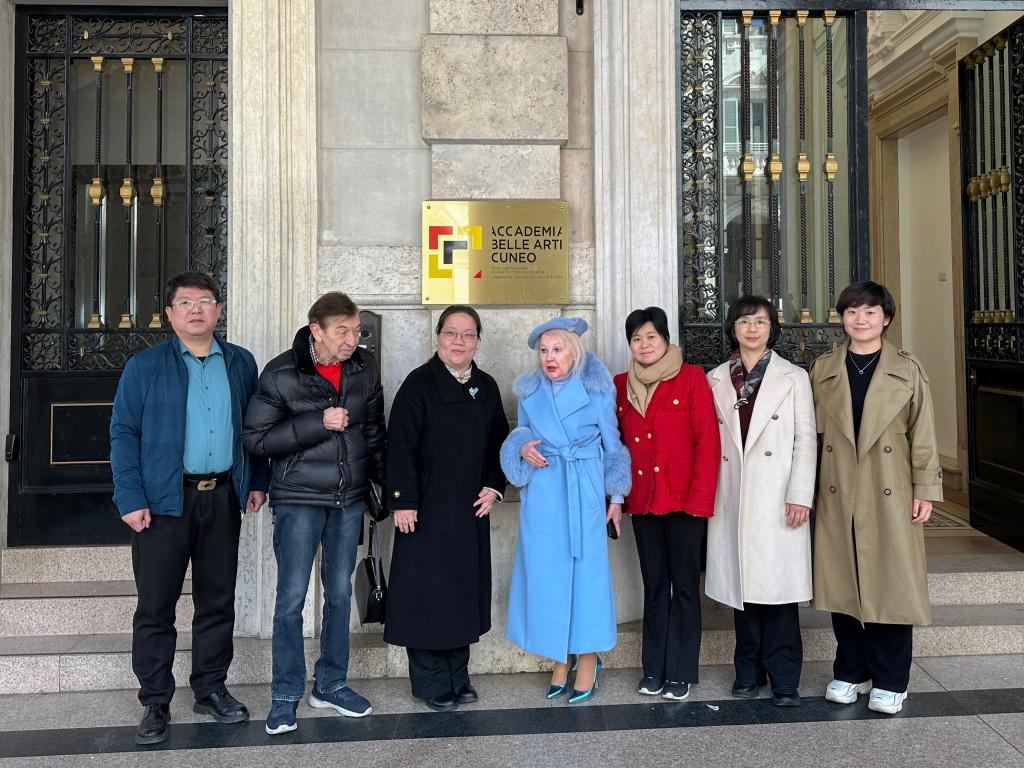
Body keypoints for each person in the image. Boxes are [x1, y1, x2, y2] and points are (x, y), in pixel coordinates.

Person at [110, 271, 269, 746]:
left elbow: (256, 429)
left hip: (222, 496)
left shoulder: (240, 362)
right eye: (185, 302)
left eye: (205, 301)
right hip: (163, 502)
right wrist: (130, 497)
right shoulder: (144, 366)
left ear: (218, 309)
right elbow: (123, 433)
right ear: (170, 313)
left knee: (217, 601)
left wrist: (256, 481)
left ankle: (211, 688)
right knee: (156, 606)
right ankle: (155, 700)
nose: (196, 309)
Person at [243, 292, 386, 734]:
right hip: (299, 499)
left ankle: (331, 684)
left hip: (348, 500)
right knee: (290, 599)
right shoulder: (281, 373)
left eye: (356, 330)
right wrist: (317, 422)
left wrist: (383, 492)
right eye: (342, 331)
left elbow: (374, 432)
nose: (352, 339)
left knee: (339, 593)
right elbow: (256, 440)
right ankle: (285, 695)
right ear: (316, 331)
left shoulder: (364, 368)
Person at [810, 280, 942, 715]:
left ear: (886, 318)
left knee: (891, 582)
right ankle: (851, 670)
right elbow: (809, 436)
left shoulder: (907, 368)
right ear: (842, 318)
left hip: (890, 488)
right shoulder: (823, 368)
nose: (860, 319)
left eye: (869, 312)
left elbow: (923, 433)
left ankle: (890, 679)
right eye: (851, 312)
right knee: (843, 580)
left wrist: (925, 489)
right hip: (838, 487)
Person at [501, 317, 631, 704]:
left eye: (557, 349)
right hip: (544, 492)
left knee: (587, 576)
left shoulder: (597, 389)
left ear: (573, 352)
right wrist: (522, 448)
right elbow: (521, 433)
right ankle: (560, 656)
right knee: (547, 577)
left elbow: (613, 444)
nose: (549, 357)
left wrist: (616, 498)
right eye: (544, 351)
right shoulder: (530, 392)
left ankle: (587, 657)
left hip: (583, 489)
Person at [385, 305, 509, 711]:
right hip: (424, 511)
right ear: (438, 337)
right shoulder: (418, 384)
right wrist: (403, 500)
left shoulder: (486, 386)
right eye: (451, 333)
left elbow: (500, 443)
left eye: (468, 334)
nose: (459, 341)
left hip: (469, 511)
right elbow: (399, 444)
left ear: (477, 341)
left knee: (460, 593)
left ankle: (458, 676)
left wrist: (494, 485)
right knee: (426, 594)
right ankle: (430, 682)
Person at [705, 296, 816, 706]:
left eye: (761, 322)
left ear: (772, 329)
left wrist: (800, 494)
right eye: (744, 321)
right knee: (744, 592)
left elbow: (806, 440)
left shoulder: (794, 377)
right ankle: (748, 672)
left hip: (778, 495)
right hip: (733, 494)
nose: (752, 329)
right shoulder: (716, 378)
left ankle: (785, 679)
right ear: (732, 328)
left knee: (779, 593)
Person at [613, 306, 720, 702]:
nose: (644, 345)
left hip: (684, 502)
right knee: (654, 586)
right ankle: (653, 668)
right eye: (636, 338)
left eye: (651, 337)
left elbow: (707, 441)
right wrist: (617, 496)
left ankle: (681, 670)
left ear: (665, 339)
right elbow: (615, 445)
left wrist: (701, 500)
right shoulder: (620, 384)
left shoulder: (691, 377)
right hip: (643, 501)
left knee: (686, 587)